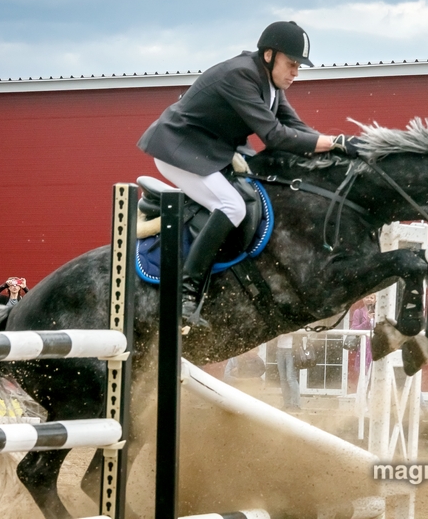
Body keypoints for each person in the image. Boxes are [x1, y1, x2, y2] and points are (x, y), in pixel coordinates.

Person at [136, 20, 363, 327]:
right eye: (292, 64)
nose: (296, 72)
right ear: (269, 55)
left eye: (299, 66)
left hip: (210, 150)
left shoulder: (270, 84)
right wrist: (334, 143)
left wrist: (337, 149)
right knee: (232, 205)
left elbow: (297, 129)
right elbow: (274, 136)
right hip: (179, 150)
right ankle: (186, 296)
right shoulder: (239, 75)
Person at [276, 333, 300, 411]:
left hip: (291, 349)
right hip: (279, 348)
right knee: (283, 378)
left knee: (290, 377)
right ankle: (287, 404)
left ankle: (295, 405)